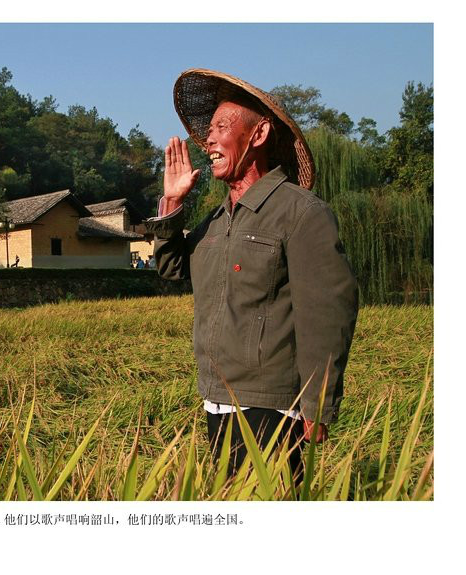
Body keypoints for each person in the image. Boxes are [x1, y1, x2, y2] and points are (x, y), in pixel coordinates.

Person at [146, 69, 358, 484]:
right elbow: (172, 269)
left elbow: (327, 316)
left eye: (221, 127)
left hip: (274, 407)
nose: (208, 140)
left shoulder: (301, 214)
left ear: (258, 135)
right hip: (217, 400)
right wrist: (172, 203)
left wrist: (317, 406)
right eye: (207, 131)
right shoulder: (217, 220)